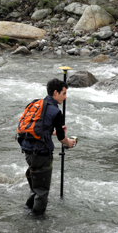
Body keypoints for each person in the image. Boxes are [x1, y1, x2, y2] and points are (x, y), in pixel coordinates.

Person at [20, 78, 76, 216]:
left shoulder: (38, 104)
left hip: (28, 151)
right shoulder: (56, 112)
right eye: (63, 93)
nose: (65, 97)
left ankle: (27, 210)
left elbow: (39, 128)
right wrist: (69, 142)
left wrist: (53, 131)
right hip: (41, 154)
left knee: (36, 185)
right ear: (55, 92)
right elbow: (62, 139)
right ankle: (38, 219)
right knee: (42, 190)